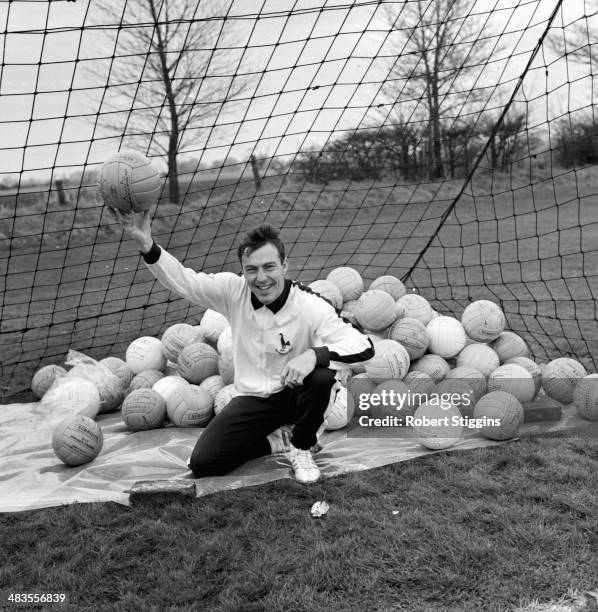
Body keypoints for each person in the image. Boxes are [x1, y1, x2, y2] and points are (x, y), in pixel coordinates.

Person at [114, 209, 374, 483]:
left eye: (269, 267)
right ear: (243, 271)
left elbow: (363, 345)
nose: (261, 278)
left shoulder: (307, 302)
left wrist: (315, 354)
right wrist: (146, 244)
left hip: (296, 393)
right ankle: (278, 441)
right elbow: (185, 281)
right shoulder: (232, 291)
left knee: (322, 375)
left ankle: (302, 447)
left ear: (285, 266)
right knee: (204, 464)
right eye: (252, 269)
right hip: (253, 399)